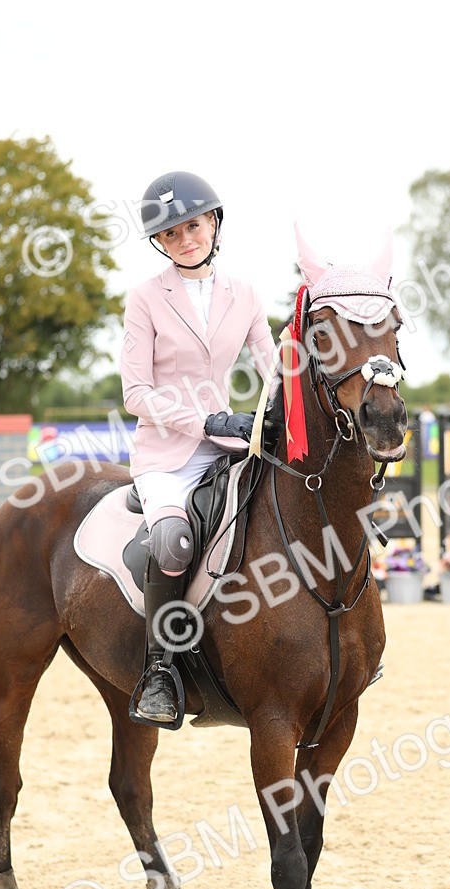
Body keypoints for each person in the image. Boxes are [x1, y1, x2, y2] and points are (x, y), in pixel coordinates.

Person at [121, 171, 276, 725]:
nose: (186, 239)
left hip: (231, 445)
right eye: (172, 234)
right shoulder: (144, 299)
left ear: (213, 223)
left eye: (193, 225)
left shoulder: (248, 295)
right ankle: (160, 670)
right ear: (160, 244)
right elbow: (135, 392)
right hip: (167, 454)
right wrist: (206, 418)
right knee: (172, 541)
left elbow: (275, 367)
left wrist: (279, 413)